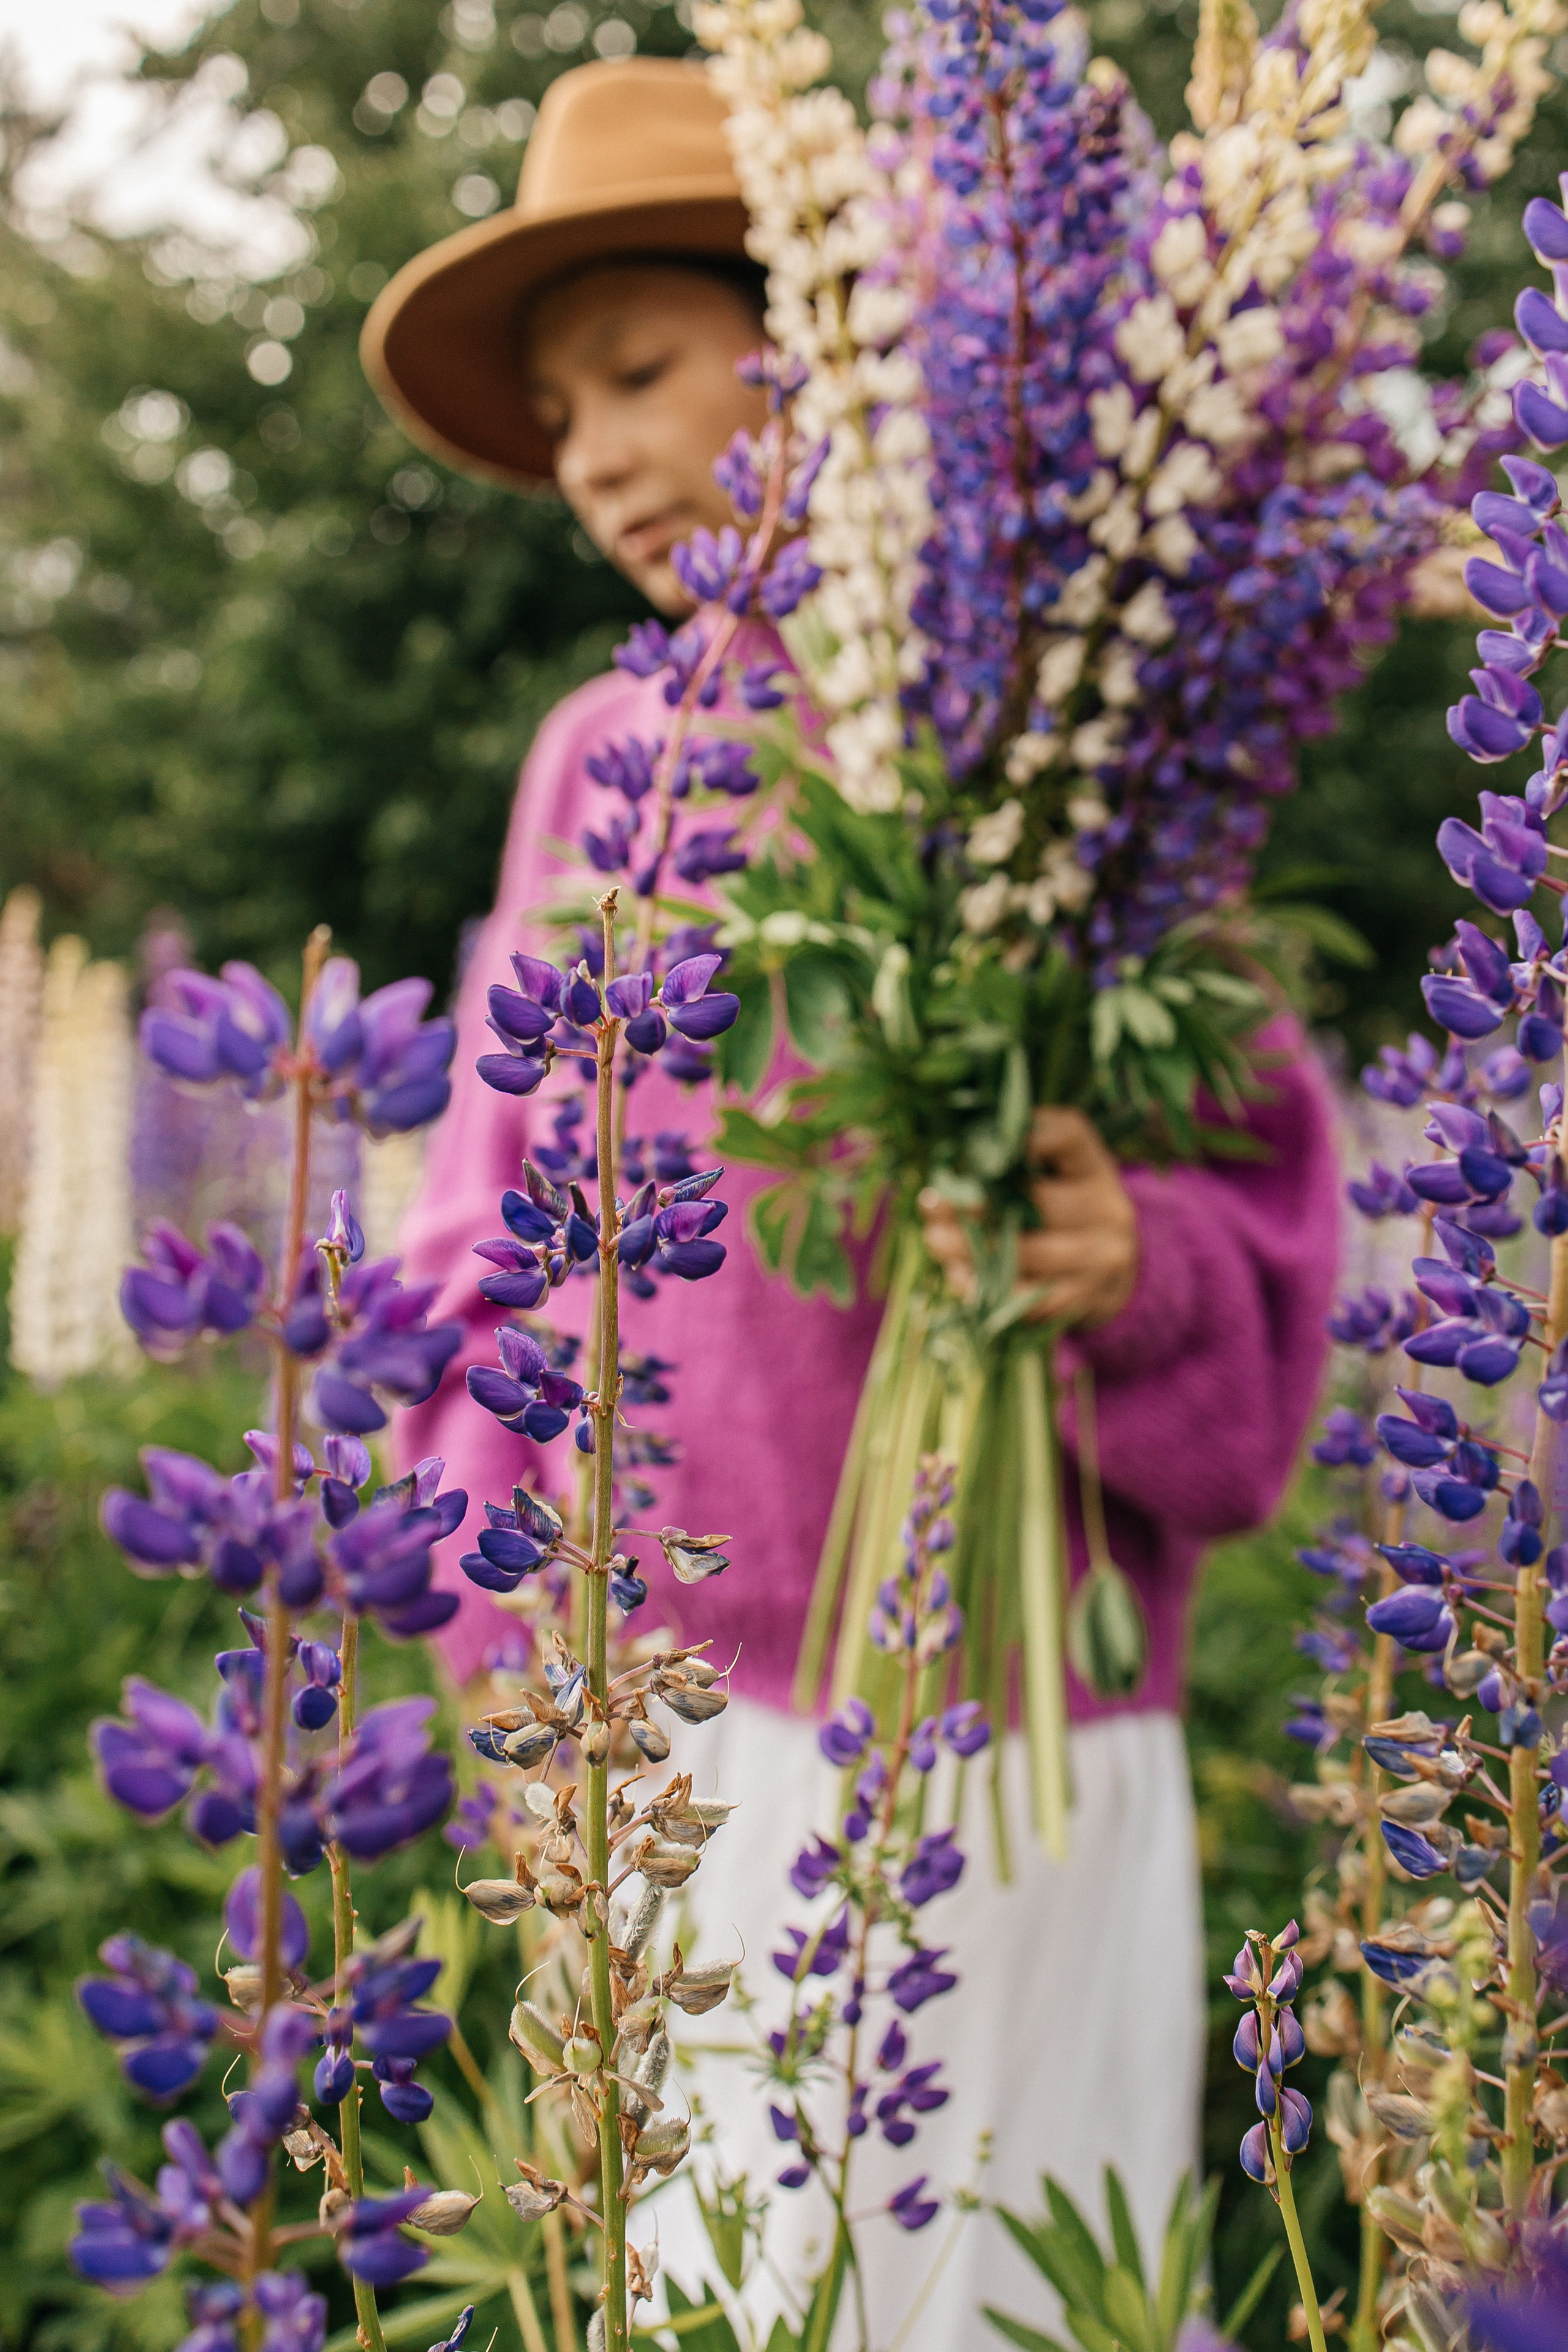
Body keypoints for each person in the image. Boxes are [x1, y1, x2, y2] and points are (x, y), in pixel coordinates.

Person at [366, 55, 1340, 2344]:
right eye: (559, 409)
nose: (594, 449)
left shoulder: (1076, 711)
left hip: (1020, 1714)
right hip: (665, 1709)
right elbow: (490, 1234)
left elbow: (1257, 1211)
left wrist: (1137, 1267)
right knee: (721, 2278)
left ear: (821, 335)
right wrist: (508, 1657)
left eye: (636, 370)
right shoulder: (597, 763)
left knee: (1004, 2276)